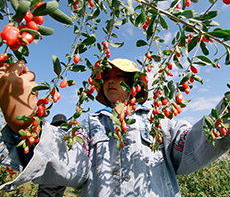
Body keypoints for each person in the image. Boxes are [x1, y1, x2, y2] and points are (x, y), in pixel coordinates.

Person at [0, 58, 230, 196]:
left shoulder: (160, 122)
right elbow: (70, 163)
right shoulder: (90, 125)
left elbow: (195, 145)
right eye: (106, 77)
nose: (110, 80)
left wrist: (227, 111)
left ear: (134, 86)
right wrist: (28, 126)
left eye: (119, 76)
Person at [37, 114, 67, 197]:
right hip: (63, 171)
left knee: (46, 192)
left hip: (49, 170)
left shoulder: (48, 132)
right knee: (59, 193)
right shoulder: (69, 135)